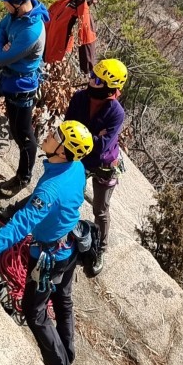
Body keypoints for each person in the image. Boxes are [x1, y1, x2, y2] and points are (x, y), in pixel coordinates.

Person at [0, 119, 93, 365]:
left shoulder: (50, 190)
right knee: (63, 298)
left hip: (50, 256)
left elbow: (19, 226)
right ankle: (67, 352)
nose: (49, 134)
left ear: (62, 150)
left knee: (33, 309)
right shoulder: (76, 167)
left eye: (56, 135)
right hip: (69, 244)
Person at [64, 58, 127, 272]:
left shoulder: (116, 112)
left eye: (98, 80)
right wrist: (93, 136)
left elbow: (102, 146)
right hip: (80, 158)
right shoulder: (80, 98)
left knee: (100, 210)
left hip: (104, 164)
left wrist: (85, 136)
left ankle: (100, 248)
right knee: (68, 195)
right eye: (92, 76)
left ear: (110, 88)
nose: (92, 81)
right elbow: (68, 127)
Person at [0, 0, 50, 198]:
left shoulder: (32, 30)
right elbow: (0, 28)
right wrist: (2, 42)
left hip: (21, 88)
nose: (4, 6)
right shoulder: (16, 16)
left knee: (22, 133)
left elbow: (1, 56)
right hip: (9, 77)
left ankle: (23, 177)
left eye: (6, 2)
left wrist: (2, 46)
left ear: (17, 2)